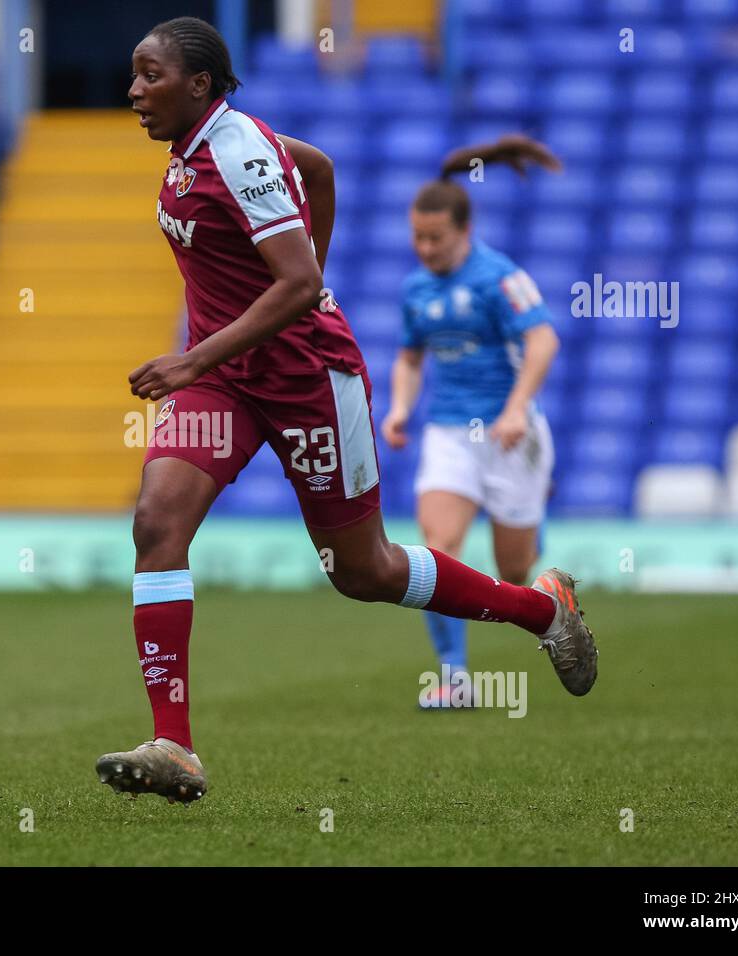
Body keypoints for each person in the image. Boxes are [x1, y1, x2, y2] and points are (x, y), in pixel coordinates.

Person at [98, 18, 596, 805]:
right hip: (225, 379)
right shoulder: (206, 145)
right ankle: (175, 745)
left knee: (363, 571)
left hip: (306, 377)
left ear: (199, 84)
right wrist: (220, 352)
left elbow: (294, 283)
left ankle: (541, 610)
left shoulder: (238, 151)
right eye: (134, 73)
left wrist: (217, 340)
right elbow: (321, 169)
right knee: (158, 525)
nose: (133, 90)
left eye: (149, 74)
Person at [382, 136, 564, 710]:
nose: (425, 247)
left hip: (511, 433)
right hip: (448, 431)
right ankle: (454, 676)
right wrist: (400, 407)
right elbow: (411, 357)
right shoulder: (414, 289)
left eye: (435, 237)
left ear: (464, 230)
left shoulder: (499, 277)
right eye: (417, 237)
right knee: (440, 549)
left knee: (514, 570)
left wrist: (516, 408)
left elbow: (543, 339)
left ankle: (542, 561)